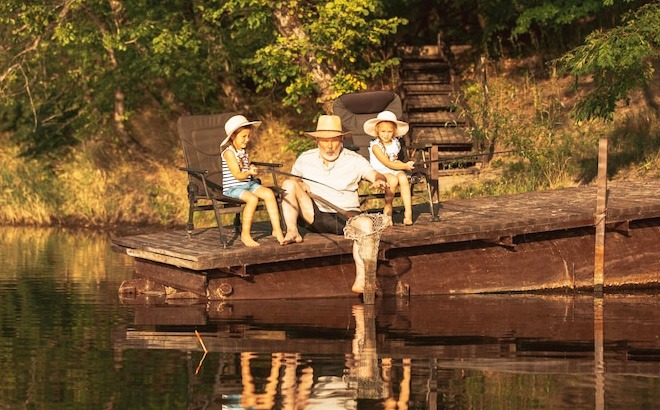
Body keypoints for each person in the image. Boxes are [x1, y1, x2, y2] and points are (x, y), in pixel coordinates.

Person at [280, 114, 388, 293]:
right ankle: (292, 231)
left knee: (366, 225)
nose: (329, 146)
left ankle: (362, 279)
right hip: (314, 214)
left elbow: (375, 174)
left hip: (345, 216)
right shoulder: (305, 158)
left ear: (342, 139)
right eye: (324, 141)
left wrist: (379, 180)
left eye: (333, 141)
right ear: (317, 140)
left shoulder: (354, 160)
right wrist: (299, 184)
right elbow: (291, 184)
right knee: (288, 184)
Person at [221, 114, 285, 247]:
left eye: (248, 136)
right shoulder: (229, 153)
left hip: (248, 184)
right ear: (233, 136)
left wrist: (252, 169)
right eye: (243, 136)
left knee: (269, 194)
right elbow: (238, 175)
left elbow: (246, 167)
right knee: (252, 199)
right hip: (233, 188)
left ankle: (277, 229)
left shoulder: (244, 151)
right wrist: (248, 172)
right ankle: (245, 235)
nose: (247, 139)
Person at [364, 110, 415, 225]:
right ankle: (388, 209)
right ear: (377, 130)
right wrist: (404, 166)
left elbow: (395, 161)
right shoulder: (376, 146)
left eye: (389, 131)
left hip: (394, 168)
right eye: (383, 131)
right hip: (381, 170)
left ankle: (408, 211)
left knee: (403, 178)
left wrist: (404, 165)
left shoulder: (395, 143)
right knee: (392, 180)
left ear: (394, 132)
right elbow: (387, 163)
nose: (386, 134)